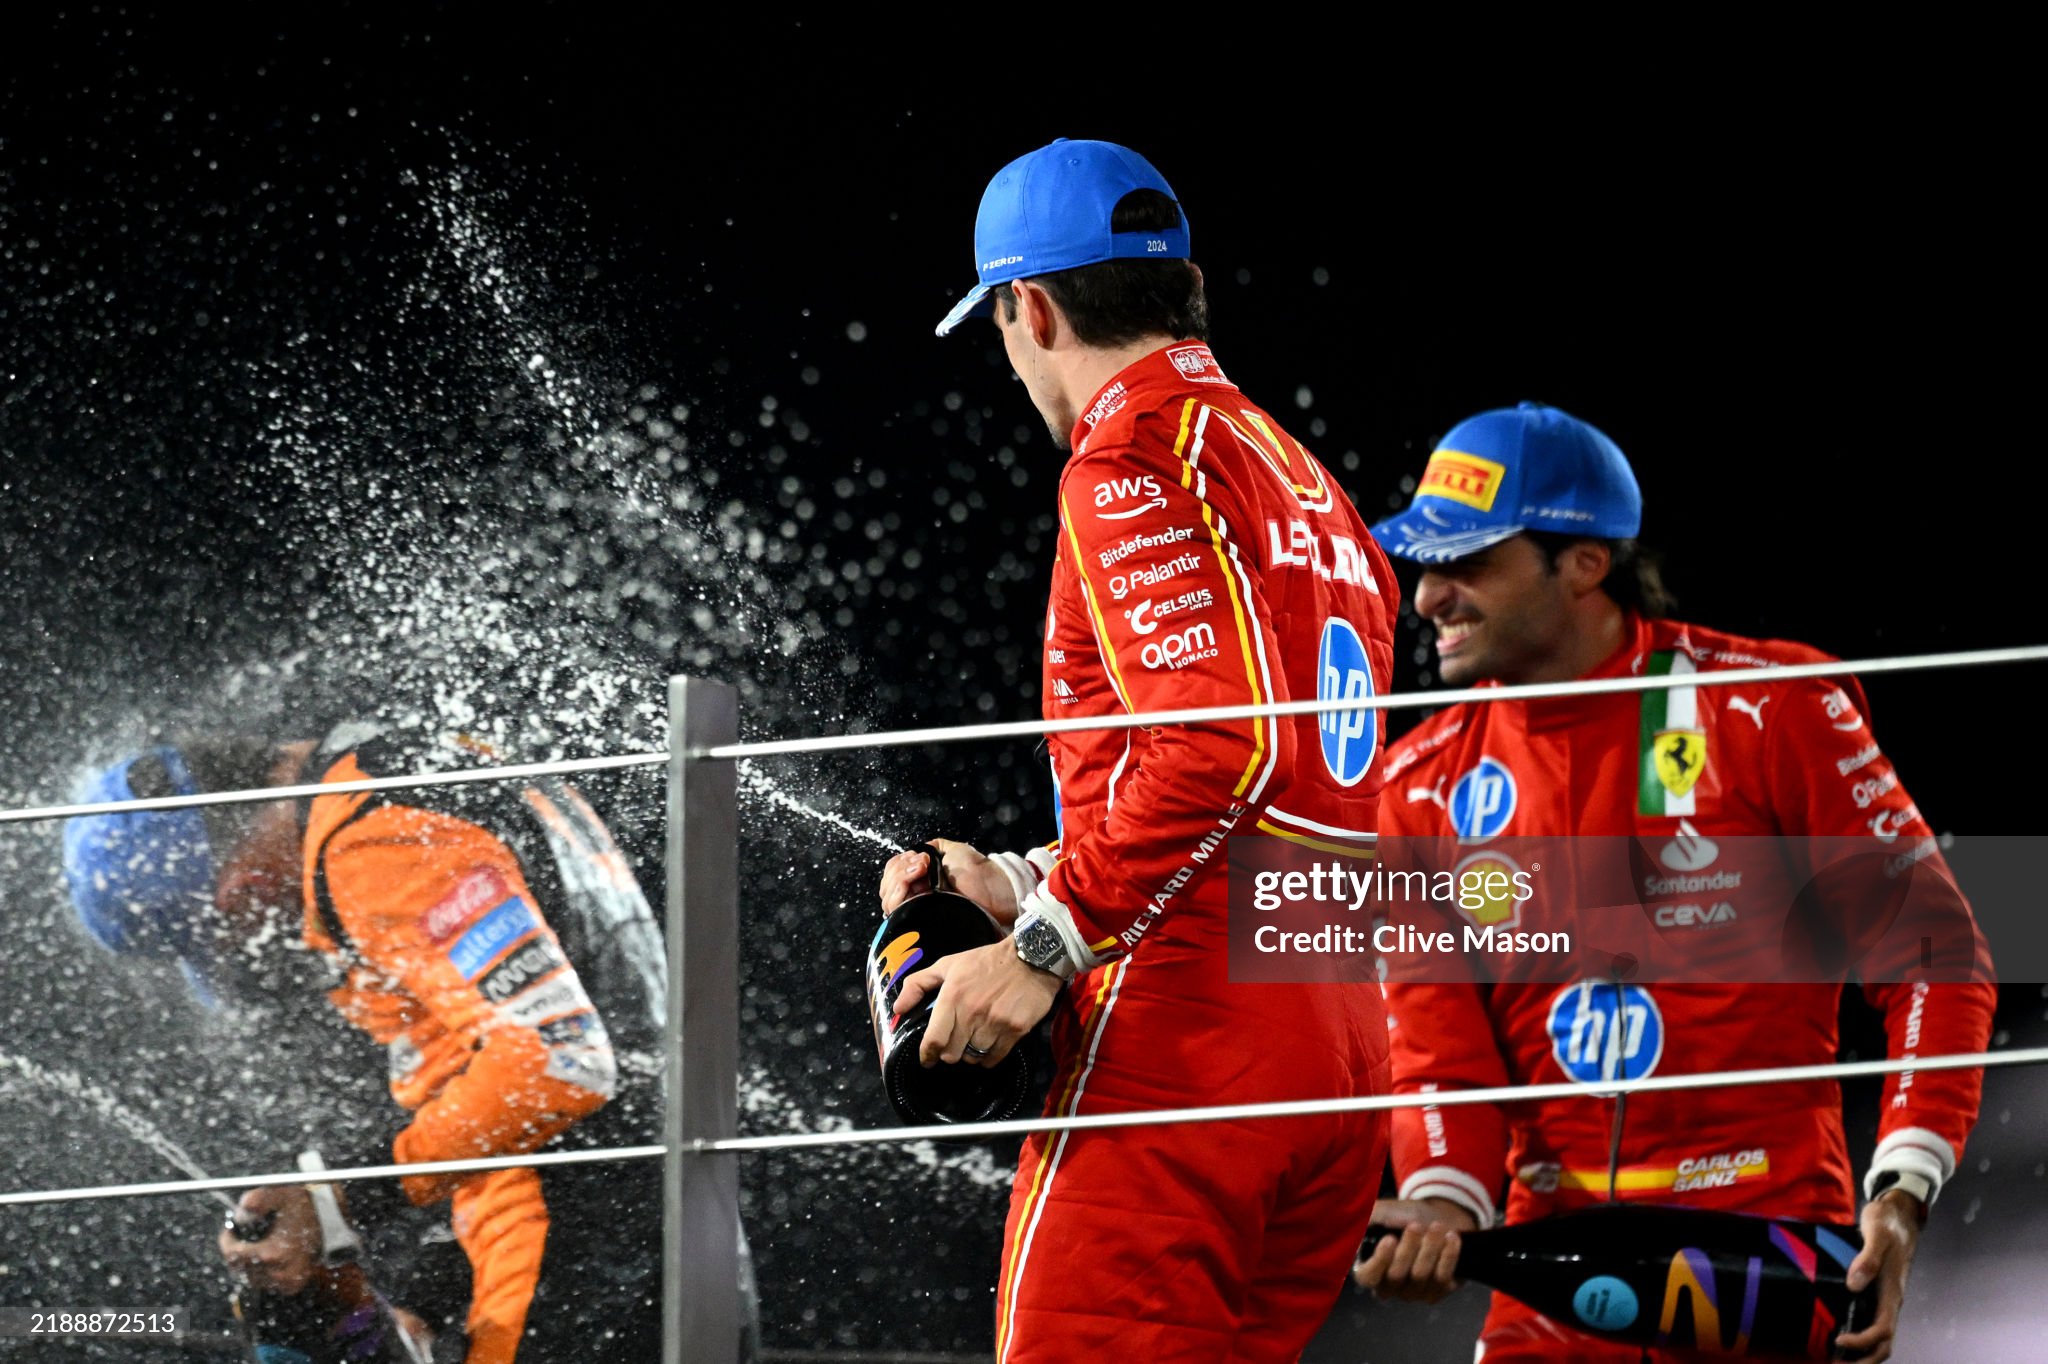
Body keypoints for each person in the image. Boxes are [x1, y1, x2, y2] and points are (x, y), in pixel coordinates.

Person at [877, 137, 1397, 1362]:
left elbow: (1220, 742)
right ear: (1185, 287)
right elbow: (1276, 785)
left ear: (1031, 308)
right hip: (1332, 1027)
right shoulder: (1303, 477)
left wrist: (1044, 945)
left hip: (1188, 1035)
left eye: (1002, 326)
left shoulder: (1129, 459)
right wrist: (1019, 874)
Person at [1349, 402, 1997, 1362]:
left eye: (1468, 562)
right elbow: (1443, 1056)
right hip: (1551, 1292)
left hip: (1771, 1269)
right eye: (1426, 565)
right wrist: (1444, 1203)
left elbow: (1936, 955)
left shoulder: (1774, 709)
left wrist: (1902, 1190)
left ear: (1584, 563)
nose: (1427, 599)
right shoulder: (1415, 786)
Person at [62, 725, 679, 1364]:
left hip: (577, 1276)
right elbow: (539, 1095)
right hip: (643, 1248)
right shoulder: (414, 760)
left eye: (223, 929)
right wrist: (432, 1301)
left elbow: (560, 1064)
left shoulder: (372, 841)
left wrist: (335, 1198)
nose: (247, 943)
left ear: (234, 889)